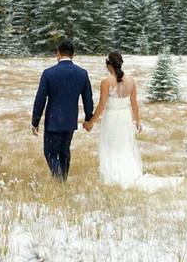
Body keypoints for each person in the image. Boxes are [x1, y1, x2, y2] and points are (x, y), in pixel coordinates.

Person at [31, 39, 94, 180]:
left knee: (50, 152)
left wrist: (35, 121)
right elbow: (88, 98)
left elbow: (40, 98)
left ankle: (59, 178)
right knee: (64, 151)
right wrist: (89, 118)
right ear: (73, 55)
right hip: (70, 120)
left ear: (58, 53)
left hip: (53, 120)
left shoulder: (49, 73)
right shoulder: (82, 73)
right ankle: (63, 179)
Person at [90, 51, 145, 187]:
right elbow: (134, 103)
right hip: (125, 118)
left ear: (109, 65)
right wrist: (137, 120)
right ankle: (129, 173)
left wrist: (91, 122)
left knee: (111, 145)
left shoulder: (106, 82)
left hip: (112, 118)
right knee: (124, 146)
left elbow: (102, 105)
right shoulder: (131, 81)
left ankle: (112, 176)